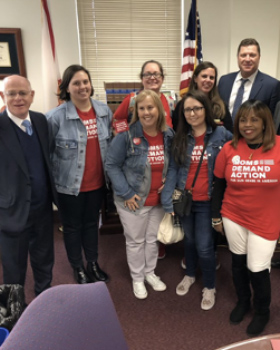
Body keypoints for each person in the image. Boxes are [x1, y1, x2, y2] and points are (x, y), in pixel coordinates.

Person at [212, 100, 280, 336]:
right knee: (238, 263)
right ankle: (243, 302)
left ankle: (262, 311)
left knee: (257, 268)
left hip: (266, 221)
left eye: (254, 119)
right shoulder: (229, 149)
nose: (247, 125)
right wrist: (216, 217)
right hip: (233, 216)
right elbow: (218, 186)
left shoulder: (279, 146)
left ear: (264, 123)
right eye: (243, 119)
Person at [161, 90, 232, 310]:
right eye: (188, 109)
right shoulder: (180, 137)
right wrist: (167, 200)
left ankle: (209, 286)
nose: (192, 113)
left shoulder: (222, 135)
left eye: (197, 108)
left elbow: (232, 162)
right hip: (185, 199)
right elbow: (173, 169)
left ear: (206, 109)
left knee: (204, 246)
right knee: (189, 241)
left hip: (208, 202)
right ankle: (190, 274)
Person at [46, 64, 112, 284]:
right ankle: (78, 267)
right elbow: (47, 154)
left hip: (97, 183)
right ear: (67, 87)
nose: (82, 87)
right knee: (73, 227)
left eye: (85, 82)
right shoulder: (55, 117)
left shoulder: (104, 112)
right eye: (76, 83)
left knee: (92, 224)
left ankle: (92, 263)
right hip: (68, 186)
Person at [105, 90, 174, 299]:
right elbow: (111, 165)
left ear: (159, 110)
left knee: (152, 240)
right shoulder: (126, 136)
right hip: (133, 200)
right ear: (136, 111)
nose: (146, 112)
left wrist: (168, 184)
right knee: (135, 241)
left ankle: (149, 273)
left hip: (158, 200)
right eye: (142, 108)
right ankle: (137, 278)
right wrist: (125, 193)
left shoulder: (169, 134)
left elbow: (174, 165)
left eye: (150, 107)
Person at [0, 75, 57, 297]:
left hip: (42, 207)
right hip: (11, 210)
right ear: (3, 96)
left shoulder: (41, 121)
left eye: (22, 93)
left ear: (31, 96)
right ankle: (14, 313)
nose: (17, 98)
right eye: (11, 93)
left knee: (44, 258)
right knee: (13, 266)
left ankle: (45, 297)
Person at [114, 59, 175, 259]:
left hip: (161, 156)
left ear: (162, 78)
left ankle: (157, 247)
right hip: (139, 155)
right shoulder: (132, 99)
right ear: (141, 78)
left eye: (156, 74)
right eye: (148, 74)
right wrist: (127, 137)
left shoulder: (170, 100)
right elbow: (118, 118)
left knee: (156, 215)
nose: (152, 77)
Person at [218, 38, 280, 119]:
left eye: (252, 55)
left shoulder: (272, 85)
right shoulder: (224, 81)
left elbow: (273, 120)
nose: (247, 59)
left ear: (259, 57)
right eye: (243, 55)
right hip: (224, 131)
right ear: (238, 57)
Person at [173, 61, 233, 132]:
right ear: (195, 78)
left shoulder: (221, 106)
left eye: (211, 78)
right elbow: (176, 132)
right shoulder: (182, 105)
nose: (208, 80)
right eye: (204, 76)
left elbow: (229, 133)